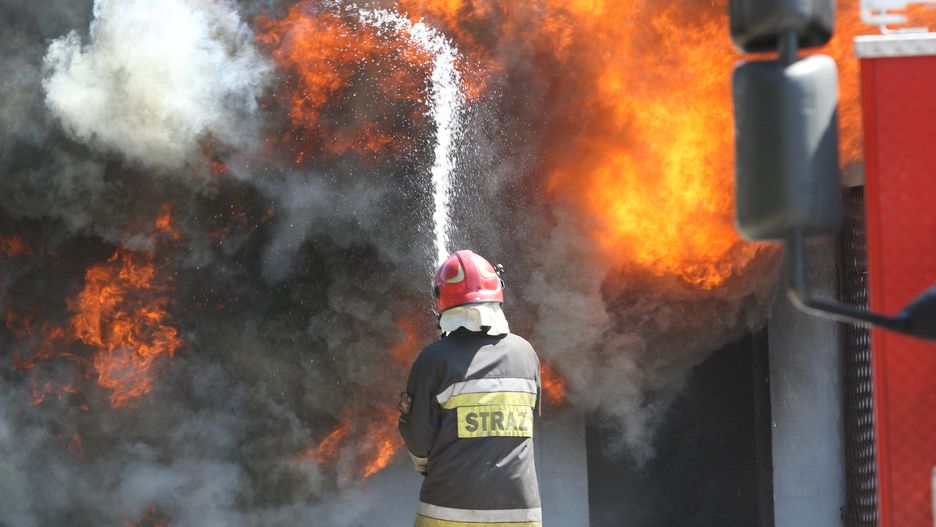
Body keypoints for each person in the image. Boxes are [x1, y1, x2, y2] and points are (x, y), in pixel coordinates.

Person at [398, 250, 543, 527]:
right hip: (520, 512)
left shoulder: (433, 360)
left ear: (442, 299)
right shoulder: (526, 353)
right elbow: (530, 422)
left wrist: (433, 465)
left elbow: (417, 437)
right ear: (497, 293)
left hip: (448, 509)